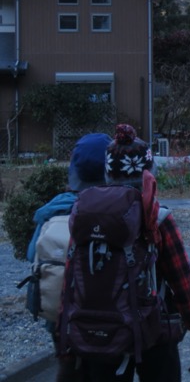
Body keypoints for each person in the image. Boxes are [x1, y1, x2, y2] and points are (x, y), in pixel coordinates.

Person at [61, 123, 190, 380]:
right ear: (149, 171)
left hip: (95, 333)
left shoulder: (85, 215)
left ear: (108, 173)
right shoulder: (157, 218)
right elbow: (184, 285)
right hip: (153, 333)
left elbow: (70, 282)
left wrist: (63, 337)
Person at [24, 132, 111, 382]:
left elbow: (33, 255)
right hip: (109, 317)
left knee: (70, 369)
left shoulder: (56, 208)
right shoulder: (118, 207)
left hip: (62, 317)